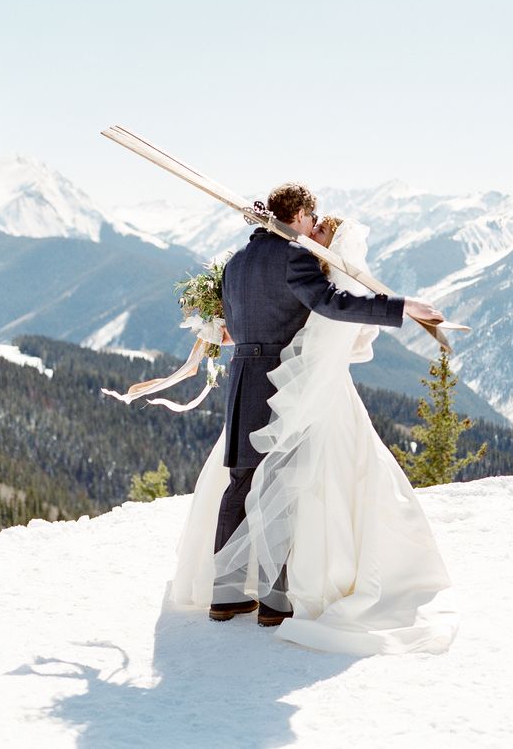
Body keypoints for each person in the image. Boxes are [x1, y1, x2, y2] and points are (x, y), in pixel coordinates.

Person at [172, 187, 457, 653]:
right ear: (301, 215)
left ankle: (224, 596)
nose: (314, 224)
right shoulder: (294, 257)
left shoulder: (237, 262)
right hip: (286, 384)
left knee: (241, 481)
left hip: (243, 380)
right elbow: (333, 304)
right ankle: (273, 600)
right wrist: (402, 307)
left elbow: (236, 323)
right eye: (313, 216)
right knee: (281, 485)